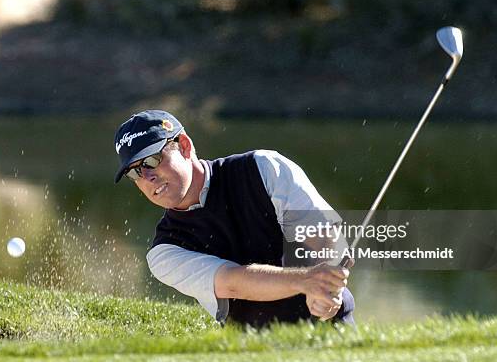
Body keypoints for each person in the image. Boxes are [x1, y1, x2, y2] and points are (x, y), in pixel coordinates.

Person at [113, 110, 355, 327]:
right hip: (254, 349)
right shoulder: (164, 252)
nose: (148, 177)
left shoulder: (264, 168)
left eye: (152, 161)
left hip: (331, 329)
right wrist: (307, 282)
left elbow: (324, 235)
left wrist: (327, 285)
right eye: (135, 172)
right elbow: (232, 282)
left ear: (184, 146)